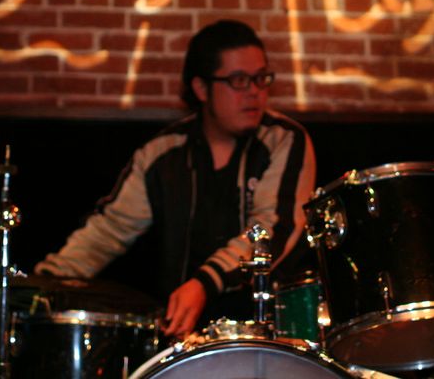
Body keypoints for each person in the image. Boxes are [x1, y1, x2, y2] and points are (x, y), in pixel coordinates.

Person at [34, 19, 316, 338]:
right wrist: (42, 284)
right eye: (239, 80)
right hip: (182, 337)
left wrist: (204, 283)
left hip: (268, 335)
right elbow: (107, 232)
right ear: (201, 88)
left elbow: (271, 228)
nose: (254, 91)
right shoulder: (162, 153)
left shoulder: (283, 140)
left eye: (261, 78)